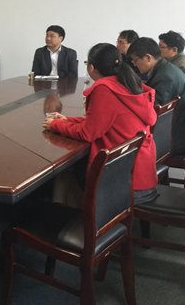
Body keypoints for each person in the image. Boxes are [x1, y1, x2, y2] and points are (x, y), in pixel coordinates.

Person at [43, 43, 158, 205]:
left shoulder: (104, 88)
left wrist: (55, 125)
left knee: (68, 170)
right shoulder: (128, 82)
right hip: (141, 176)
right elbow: (102, 122)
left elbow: (88, 133)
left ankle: (72, 215)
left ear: (91, 68)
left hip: (123, 183)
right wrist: (67, 120)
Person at [128, 37, 185, 156]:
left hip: (172, 138)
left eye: (135, 60)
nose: (135, 65)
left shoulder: (165, 77)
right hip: (176, 129)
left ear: (148, 57)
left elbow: (154, 111)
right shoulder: (165, 68)